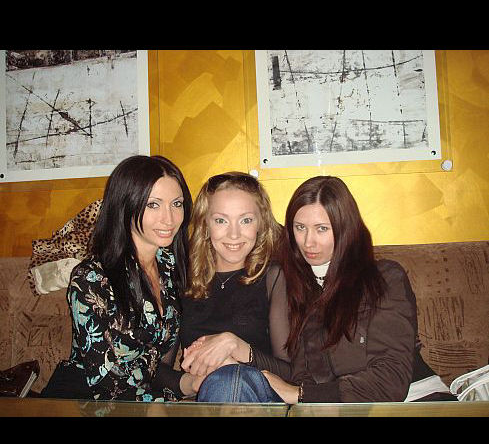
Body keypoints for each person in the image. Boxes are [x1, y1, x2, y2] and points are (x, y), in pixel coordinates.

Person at [194, 175, 454, 403]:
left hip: (415, 400)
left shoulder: (383, 277)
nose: (309, 242)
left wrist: (299, 395)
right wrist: (240, 357)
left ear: (345, 228)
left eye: (322, 229)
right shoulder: (295, 286)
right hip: (335, 408)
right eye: (300, 228)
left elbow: (390, 380)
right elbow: (297, 375)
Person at [41, 154, 201, 401]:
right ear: (125, 204)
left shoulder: (171, 267)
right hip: (81, 399)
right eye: (153, 205)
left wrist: (191, 383)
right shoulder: (91, 279)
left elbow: (155, 364)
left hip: (141, 399)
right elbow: (104, 382)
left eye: (177, 204)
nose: (169, 218)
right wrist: (164, 405)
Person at [179, 172, 291, 402]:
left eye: (246, 220)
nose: (234, 234)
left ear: (260, 224)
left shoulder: (273, 277)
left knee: (231, 380)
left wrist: (234, 346)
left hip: (259, 402)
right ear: (205, 224)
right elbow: (155, 369)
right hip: (198, 403)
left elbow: (290, 372)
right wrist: (195, 382)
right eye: (221, 220)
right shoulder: (183, 277)